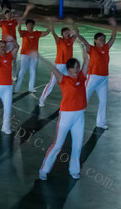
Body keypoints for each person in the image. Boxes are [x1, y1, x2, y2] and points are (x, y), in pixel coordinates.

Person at [37, 49, 90, 180]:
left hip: (79, 116)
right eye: (74, 67)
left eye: (78, 67)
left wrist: (83, 50)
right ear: (68, 69)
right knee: (58, 144)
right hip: (66, 115)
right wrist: (40, 58)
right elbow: (53, 68)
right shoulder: (63, 79)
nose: (76, 70)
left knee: (77, 145)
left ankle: (74, 170)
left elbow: (87, 62)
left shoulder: (81, 77)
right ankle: (44, 170)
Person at [76, 18, 117, 129]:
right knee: (84, 99)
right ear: (95, 40)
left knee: (103, 101)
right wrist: (77, 35)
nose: (103, 41)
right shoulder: (92, 49)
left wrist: (114, 26)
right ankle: (75, 117)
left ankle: (100, 123)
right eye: (100, 39)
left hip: (104, 79)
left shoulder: (106, 48)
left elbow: (113, 38)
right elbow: (85, 42)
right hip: (93, 77)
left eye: (104, 39)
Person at [39, 21, 78, 107]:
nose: (67, 34)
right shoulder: (59, 40)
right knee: (51, 83)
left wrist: (72, 24)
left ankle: (70, 100)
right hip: (59, 65)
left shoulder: (71, 40)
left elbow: (76, 33)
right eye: (65, 32)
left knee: (70, 83)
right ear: (62, 34)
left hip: (68, 66)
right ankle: (42, 100)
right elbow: (53, 32)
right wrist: (51, 23)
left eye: (68, 32)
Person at [15, 18, 51, 93]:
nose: (30, 26)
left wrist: (49, 23)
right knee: (22, 71)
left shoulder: (36, 33)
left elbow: (47, 32)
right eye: (28, 25)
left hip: (34, 55)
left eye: (31, 25)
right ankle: (17, 88)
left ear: (33, 25)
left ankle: (31, 88)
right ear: (26, 26)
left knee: (33, 71)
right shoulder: (24, 32)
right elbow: (19, 31)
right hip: (24, 54)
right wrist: (20, 24)